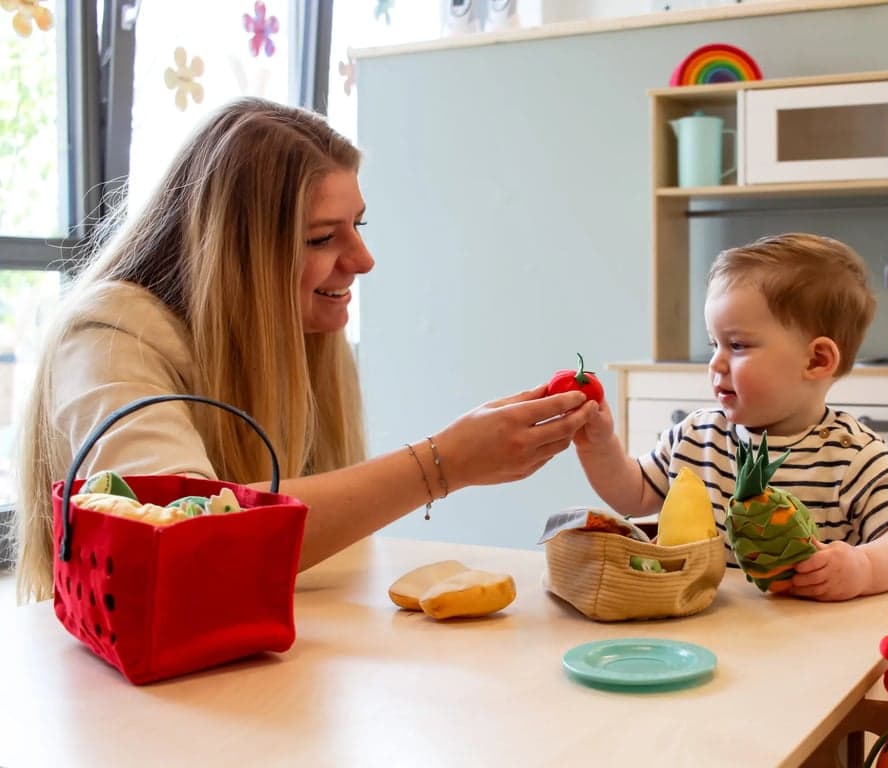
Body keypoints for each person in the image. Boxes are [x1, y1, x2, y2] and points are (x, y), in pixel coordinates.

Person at [10, 97, 595, 604]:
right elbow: (185, 543)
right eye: (321, 238)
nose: (363, 260)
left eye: (359, 225)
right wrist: (443, 463)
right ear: (237, 251)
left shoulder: (297, 330)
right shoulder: (107, 336)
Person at [574, 233, 888, 601]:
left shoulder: (852, 453)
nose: (715, 362)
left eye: (738, 345)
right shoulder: (697, 435)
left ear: (816, 360)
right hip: (712, 627)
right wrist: (598, 445)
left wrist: (864, 567)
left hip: (810, 637)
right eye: (715, 344)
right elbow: (636, 495)